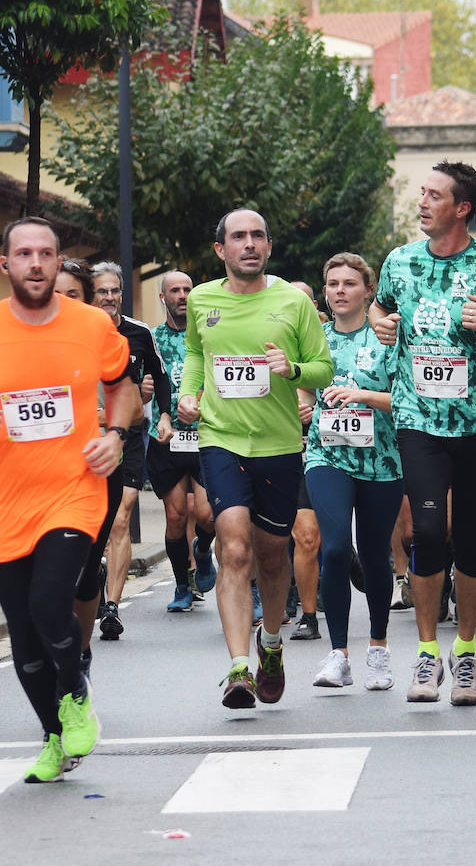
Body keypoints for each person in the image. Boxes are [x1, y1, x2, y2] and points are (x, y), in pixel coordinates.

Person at [0, 216, 134, 780]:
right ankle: (54, 739)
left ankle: (75, 690)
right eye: (25, 254)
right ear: (6, 265)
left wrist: (115, 436)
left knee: (51, 604)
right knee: (24, 640)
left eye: (46, 253)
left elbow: (122, 385)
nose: (37, 263)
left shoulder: (91, 324)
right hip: (0, 501)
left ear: (56, 260)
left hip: (72, 491)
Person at [369, 161, 476, 706]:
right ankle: (426, 654)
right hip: (418, 420)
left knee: (470, 540)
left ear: (462, 208)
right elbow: (381, 306)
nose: (421, 203)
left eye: (433, 195)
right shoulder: (400, 262)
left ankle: (464, 652)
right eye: (421, 194)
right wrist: (379, 321)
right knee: (427, 531)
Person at [178, 208, 334, 709]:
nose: (249, 244)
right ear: (220, 249)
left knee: (271, 555)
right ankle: (238, 667)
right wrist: (188, 394)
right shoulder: (202, 299)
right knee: (235, 549)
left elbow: (323, 369)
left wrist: (292, 369)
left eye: (258, 236)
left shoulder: (293, 301)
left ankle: (270, 645)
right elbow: (197, 354)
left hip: (280, 445)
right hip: (221, 439)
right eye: (238, 237)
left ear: (268, 247)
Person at [300, 253, 404, 689]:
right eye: (332, 284)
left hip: (382, 460)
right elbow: (302, 382)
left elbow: (407, 398)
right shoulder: (315, 337)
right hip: (328, 455)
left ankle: (378, 649)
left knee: (377, 553)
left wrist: (363, 395)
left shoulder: (386, 338)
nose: (340, 290)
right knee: (337, 546)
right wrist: (305, 403)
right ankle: (338, 654)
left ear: (367, 291)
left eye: (349, 283)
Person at [92, 262, 171, 640]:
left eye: (114, 291)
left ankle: (111, 606)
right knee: (95, 525)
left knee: (121, 519)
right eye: (101, 292)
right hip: (85, 440)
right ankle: (94, 573)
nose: (109, 298)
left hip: (128, 437)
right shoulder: (77, 334)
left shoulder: (138, 332)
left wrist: (165, 414)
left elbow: (162, 377)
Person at [52, 261, 121, 681]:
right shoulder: (18, 337)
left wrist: (107, 423)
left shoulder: (99, 333)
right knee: (49, 575)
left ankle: (79, 654)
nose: (61, 303)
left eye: (72, 295)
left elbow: (124, 395)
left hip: (94, 467)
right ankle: (57, 666)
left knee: (84, 571)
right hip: (41, 474)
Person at [147, 271, 217, 612]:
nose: (182, 295)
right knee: (176, 517)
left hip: (205, 436)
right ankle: (181, 585)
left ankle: (203, 552)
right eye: (174, 290)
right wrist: (142, 390)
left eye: (187, 289)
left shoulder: (206, 336)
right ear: (163, 298)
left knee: (207, 514)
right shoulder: (153, 339)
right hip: (166, 439)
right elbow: (136, 378)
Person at [285, 279, 324, 638]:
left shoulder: (330, 339)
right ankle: (302, 609)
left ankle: (346, 555)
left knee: (317, 536)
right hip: (284, 451)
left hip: (331, 450)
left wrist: (317, 408)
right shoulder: (271, 340)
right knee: (297, 535)